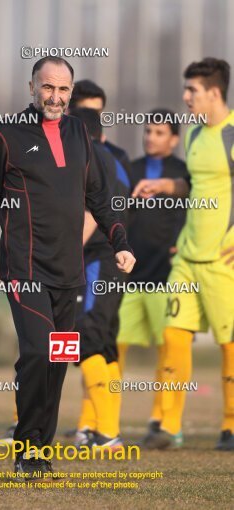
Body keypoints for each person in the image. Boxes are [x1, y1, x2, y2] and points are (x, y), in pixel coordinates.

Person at [0, 56, 135, 477]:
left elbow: (99, 196)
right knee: (38, 352)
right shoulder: (4, 135)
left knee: (57, 362)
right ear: (31, 87)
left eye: (63, 90)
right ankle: (26, 448)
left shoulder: (80, 132)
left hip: (70, 273)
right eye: (47, 88)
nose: (55, 97)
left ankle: (39, 454)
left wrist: (120, 241)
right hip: (24, 269)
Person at [133, 58, 234, 450]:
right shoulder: (192, 136)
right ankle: (168, 427)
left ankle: (230, 426)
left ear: (214, 92)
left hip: (222, 263)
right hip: (187, 260)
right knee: (173, 336)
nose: (185, 96)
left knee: (229, 345)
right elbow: (192, 183)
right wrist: (165, 186)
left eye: (192, 90)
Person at [116, 109, 188, 444]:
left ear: (174, 139)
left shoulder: (185, 174)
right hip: (129, 276)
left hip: (167, 276)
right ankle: (104, 423)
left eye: (159, 132)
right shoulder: (131, 170)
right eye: (147, 131)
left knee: (168, 350)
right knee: (113, 346)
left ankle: (161, 423)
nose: (150, 137)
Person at [69, 107, 130, 450]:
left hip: (95, 261)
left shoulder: (88, 156)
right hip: (115, 261)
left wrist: (63, 256)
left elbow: (93, 213)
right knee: (105, 347)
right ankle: (94, 428)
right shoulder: (116, 160)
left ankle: (107, 433)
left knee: (86, 340)